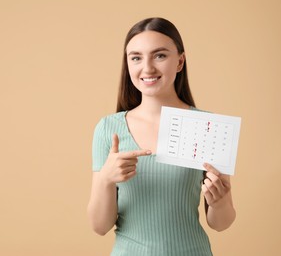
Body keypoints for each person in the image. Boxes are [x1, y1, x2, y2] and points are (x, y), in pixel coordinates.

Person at [87, 17, 236, 256]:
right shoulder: (108, 129)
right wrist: (105, 179)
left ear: (180, 61)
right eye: (136, 57)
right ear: (128, 65)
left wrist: (220, 200)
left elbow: (221, 223)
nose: (147, 68)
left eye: (160, 55)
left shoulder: (206, 126)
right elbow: (99, 226)